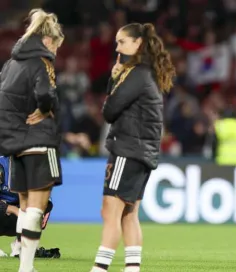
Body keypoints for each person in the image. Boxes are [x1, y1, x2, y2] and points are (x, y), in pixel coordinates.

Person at [90, 22, 175, 272]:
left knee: (110, 210)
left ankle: (99, 268)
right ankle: (132, 268)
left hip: (128, 149)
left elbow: (109, 110)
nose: (117, 47)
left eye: (122, 42)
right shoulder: (146, 73)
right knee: (129, 212)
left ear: (137, 43)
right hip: (141, 151)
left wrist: (113, 78)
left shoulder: (137, 73)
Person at [0, 9, 64, 272]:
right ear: (49, 40)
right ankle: (26, 268)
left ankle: (23, 262)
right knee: (38, 205)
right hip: (39, 140)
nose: (57, 52)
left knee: (24, 205)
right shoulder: (41, 62)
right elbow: (46, 96)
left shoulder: (10, 64)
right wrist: (48, 108)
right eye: (57, 46)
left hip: (13, 144)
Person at [0, 156, 59, 259]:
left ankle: (21, 244)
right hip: (4, 214)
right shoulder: (2, 164)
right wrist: (12, 209)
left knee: (44, 204)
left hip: (18, 217)